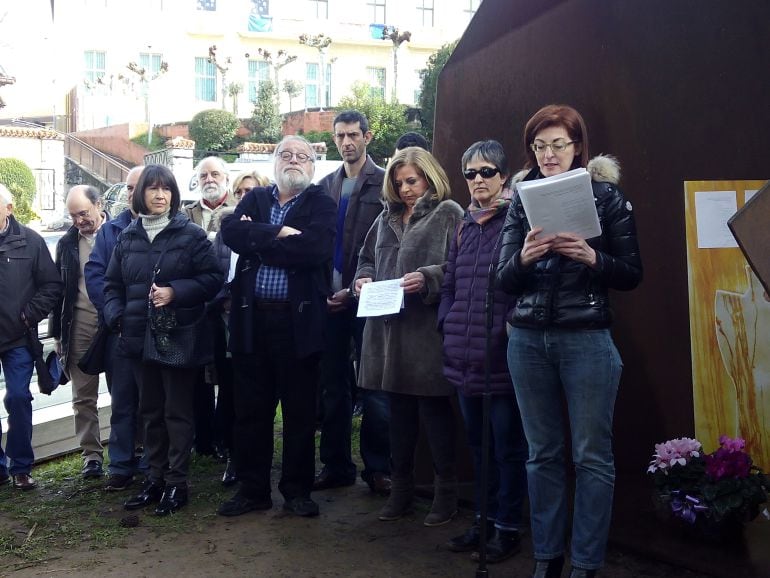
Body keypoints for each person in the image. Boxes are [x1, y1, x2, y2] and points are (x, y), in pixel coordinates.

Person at [496, 104, 642, 578]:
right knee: (542, 456)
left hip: (586, 339)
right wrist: (523, 258)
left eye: (558, 144)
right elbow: (503, 279)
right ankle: (547, 558)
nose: (548, 154)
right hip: (529, 340)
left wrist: (591, 257)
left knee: (591, 457)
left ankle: (585, 563)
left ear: (577, 147)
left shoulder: (607, 198)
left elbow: (631, 273)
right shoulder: (520, 198)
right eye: (539, 146)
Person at [217, 135, 336, 519]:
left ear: (313, 166)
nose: (293, 160)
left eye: (302, 155)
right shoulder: (255, 199)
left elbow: (314, 250)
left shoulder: (321, 203)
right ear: (274, 162)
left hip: (297, 322)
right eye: (285, 154)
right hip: (253, 320)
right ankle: (253, 490)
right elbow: (232, 233)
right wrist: (278, 233)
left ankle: (297, 490)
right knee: (251, 410)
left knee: (300, 412)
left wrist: (259, 238)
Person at [103, 164, 222, 516]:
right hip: (137, 338)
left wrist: (175, 291)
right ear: (140, 194)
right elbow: (111, 285)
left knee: (177, 412)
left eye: (166, 189)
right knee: (150, 411)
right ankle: (153, 479)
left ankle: (176, 483)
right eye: (152, 189)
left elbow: (213, 279)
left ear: (173, 194)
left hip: (177, 336)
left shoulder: (191, 235)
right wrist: (117, 317)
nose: (159, 195)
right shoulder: (127, 236)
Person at [354, 147, 463, 526]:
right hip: (385, 331)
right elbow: (364, 258)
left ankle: (445, 492)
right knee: (397, 415)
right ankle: (400, 490)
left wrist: (430, 277)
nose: (405, 190)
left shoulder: (449, 214)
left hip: (425, 334)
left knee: (434, 413)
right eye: (399, 183)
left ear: (429, 177)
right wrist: (361, 279)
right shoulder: (384, 218)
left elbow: (462, 266)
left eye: (411, 181)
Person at [439, 140, 528, 563]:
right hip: (463, 357)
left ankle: (508, 527)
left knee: (508, 448)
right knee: (478, 447)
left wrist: (507, 328)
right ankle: (484, 520)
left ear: (503, 176)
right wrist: (447, 320)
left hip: (501, 357)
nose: (478, 180)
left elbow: (522, 283)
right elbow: (452, 282)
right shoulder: (463, 225)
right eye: (471, 173)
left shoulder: (517, 220)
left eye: (486, 172)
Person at [315, 110, 391, 495]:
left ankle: (378, 468)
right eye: (340, 136)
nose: (347, 142)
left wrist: (360, 284)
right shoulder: (326, 184)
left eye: (353, 135)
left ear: (367, 136)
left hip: (368, 295)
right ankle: (336, 464)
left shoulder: (385, 184)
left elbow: (389, 243)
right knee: (332, 385)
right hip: (329, 299)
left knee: (373, 383)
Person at [85, 165, 146, 491]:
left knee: (153, 403)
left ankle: (153, 463)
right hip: (119, 332)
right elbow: (97, 277)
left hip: (153, 331)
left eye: (140, 186)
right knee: (121, 403)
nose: (133, 192)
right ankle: (121, 466)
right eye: (129, 186)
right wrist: (116, 315)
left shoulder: (167, 229)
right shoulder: (111, 232)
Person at [0, 183, 63, 490]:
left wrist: (28, 314)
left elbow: (52, 285)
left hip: (17, 339)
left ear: (8, 209)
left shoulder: (31, 241)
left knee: (19, 397)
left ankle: (21, 467)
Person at [210, 168, 269, 487]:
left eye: (253, 191)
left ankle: (254, 459)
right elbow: (213, 271)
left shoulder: (271, 229)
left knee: (256, 396)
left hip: (261, 322)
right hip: (227, 321)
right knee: (231, 392)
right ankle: (234, 457)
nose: (246, 197)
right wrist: (225, 296)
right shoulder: (225, 230)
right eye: (241, 192)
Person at [51, 185, 108, 479]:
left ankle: (135, 448)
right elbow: (58, 293)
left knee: (128, 390)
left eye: (83, 213)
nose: (78, 221)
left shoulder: (120, 233)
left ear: (99, 204)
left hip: (115, 323)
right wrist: (58, 337)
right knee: (83, 396)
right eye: (73, 216)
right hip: (80, 323)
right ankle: (92, 456)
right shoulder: (67, 243)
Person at [185, 155, 238, 459]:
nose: (209, 180)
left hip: (230, 308)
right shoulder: (186, 214)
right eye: (203, 175)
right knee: (198, 377)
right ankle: (202, 438)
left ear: (226, 179)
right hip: (198, 308)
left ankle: (225, 437)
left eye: (215, 174)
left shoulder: (241, 208)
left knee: (229, 375)